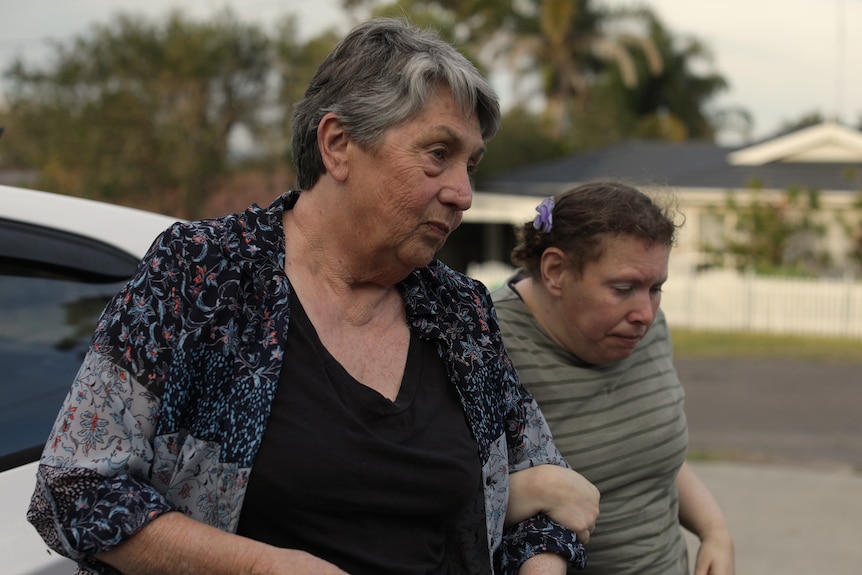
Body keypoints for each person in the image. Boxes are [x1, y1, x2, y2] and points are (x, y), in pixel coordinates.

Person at [27, 18, 600, 575]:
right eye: (438, 155)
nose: (463, 194)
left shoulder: (458, 313)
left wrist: (541, 566)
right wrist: (262, 568)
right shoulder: (204, 275)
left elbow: (546, 483)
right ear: (338, 145)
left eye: (470, 164)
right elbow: (74, 490)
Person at [491, 181, 735, 575]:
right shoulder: (485, 345)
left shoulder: (644, 330)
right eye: (623, 288)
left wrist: (715, 530)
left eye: (656, 288)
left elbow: (656, 453)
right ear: (555, 271)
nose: (646, 313)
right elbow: (450, 497)